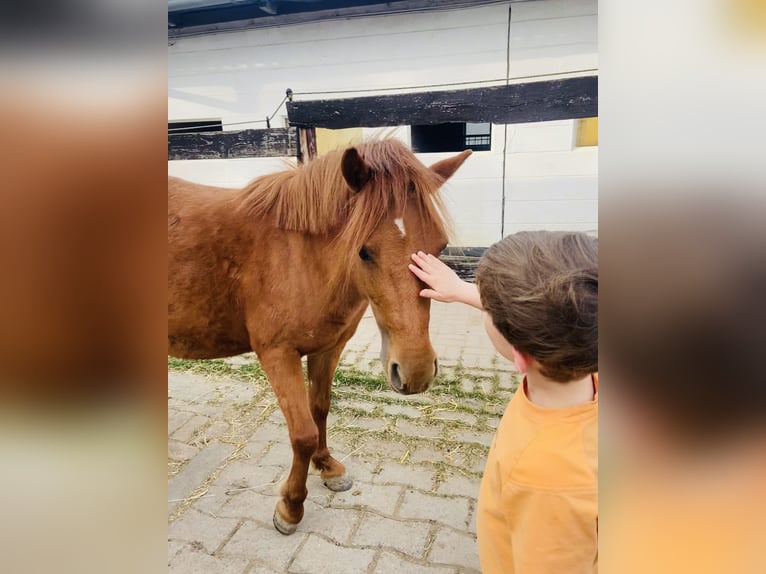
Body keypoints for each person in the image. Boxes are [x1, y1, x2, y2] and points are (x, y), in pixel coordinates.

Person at [409, 231, 598, 574]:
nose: (485, 305)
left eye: (489, 308)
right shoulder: (588, 365)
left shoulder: (549, 482)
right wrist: (459, 289)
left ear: (520, 355)